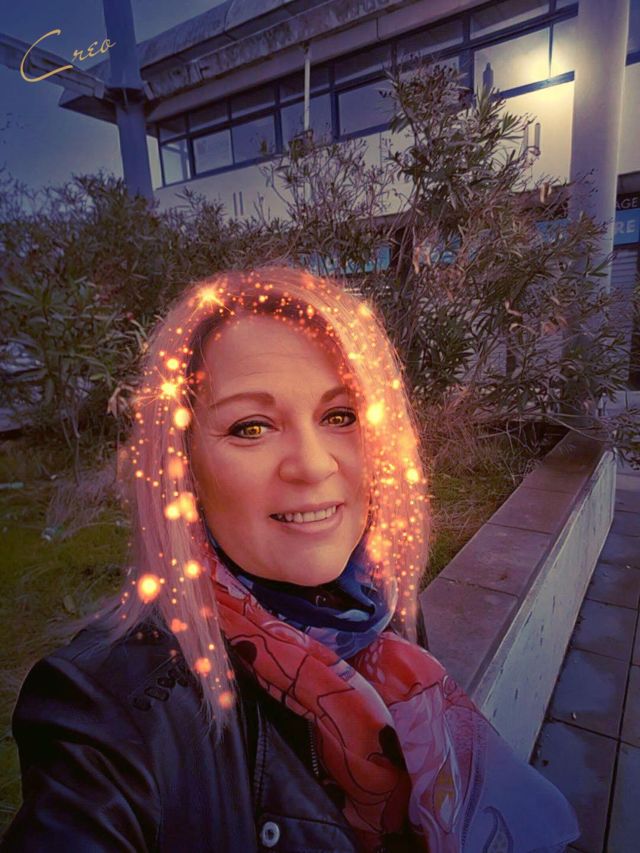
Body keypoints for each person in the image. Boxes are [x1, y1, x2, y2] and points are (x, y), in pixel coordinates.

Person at [2, 267, 578, 852]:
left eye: (340, 416)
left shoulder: (379, 604)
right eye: (251, 427)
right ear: (184, 465)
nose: (312, 464)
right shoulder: (105, 709)